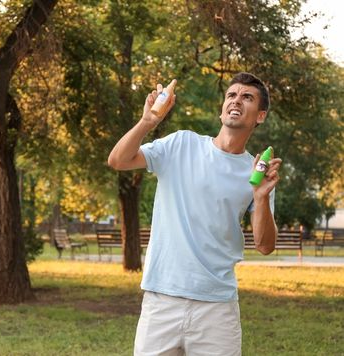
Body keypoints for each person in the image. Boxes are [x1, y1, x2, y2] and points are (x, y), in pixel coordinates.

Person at [108, 72, 282, 356]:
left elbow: (265, 245)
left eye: (247, 97)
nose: (236, 100)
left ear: (259, 116)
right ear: (222, 108)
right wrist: (148, 122)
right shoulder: (181, 145)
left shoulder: (256, 174)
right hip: (162, 299)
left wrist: (260, 197)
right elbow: (118, 160)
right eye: (231, 95)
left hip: (217, 308)